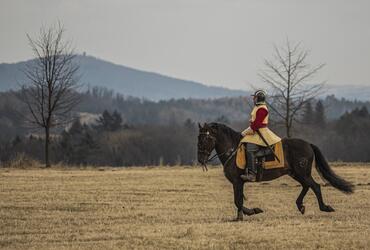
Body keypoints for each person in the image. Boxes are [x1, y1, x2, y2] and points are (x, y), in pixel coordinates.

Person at [240, 90, 281, 182]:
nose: (253, 99)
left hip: (261, 132)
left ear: (258, 98)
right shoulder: (257, 107)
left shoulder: (262, 109)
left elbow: (256, 125)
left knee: (250, 150)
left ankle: (252, 174)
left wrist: (244, 132)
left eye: (254, 97)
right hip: (256, 131)